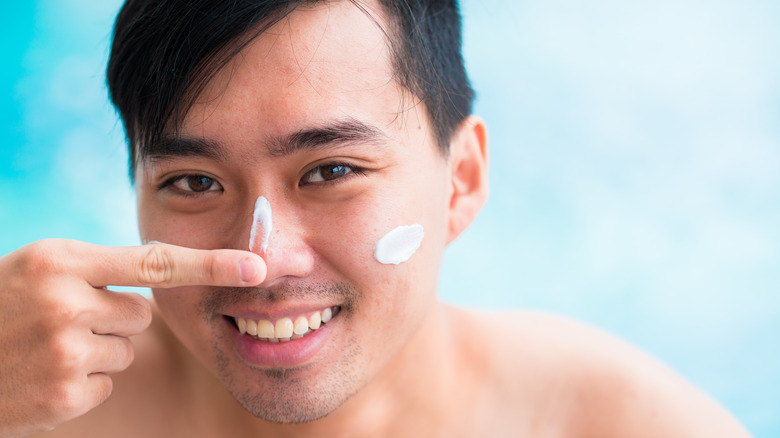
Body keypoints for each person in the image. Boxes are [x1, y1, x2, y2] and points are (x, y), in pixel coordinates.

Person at [0, 0, 751, 437]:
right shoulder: (40, 403)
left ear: (461, 180)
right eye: (195, 182)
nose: (264, 261)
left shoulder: (621, 425)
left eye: (330, 172)